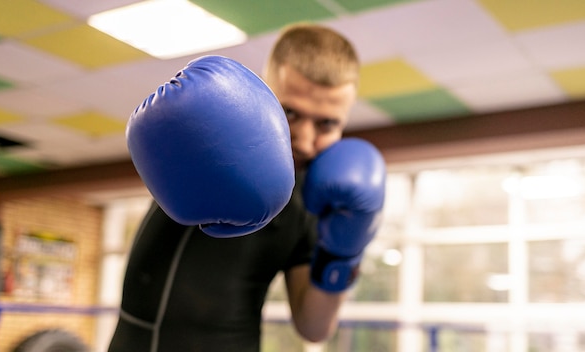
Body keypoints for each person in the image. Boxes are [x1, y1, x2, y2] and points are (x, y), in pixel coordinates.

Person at [108, 23, 386, 352]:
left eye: (326, 123)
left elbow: (314, 327)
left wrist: (346, 249)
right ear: (266, 94)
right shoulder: (216, 135)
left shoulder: (318, 200)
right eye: (291, 112)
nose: (306, 141)